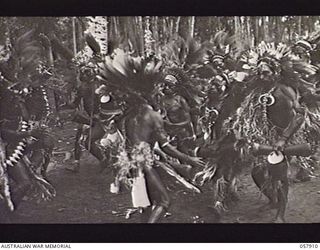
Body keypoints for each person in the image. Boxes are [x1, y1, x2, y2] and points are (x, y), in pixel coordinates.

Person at [98, 50, 205, 223]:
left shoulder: (127, 114)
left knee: (146, 203)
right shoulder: (150, 115)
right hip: (146, 164)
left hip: (131, 163)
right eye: (157, 88)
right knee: (164, 201)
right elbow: (166, 146)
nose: (159, 91)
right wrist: (189, 159)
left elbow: (137, 138)